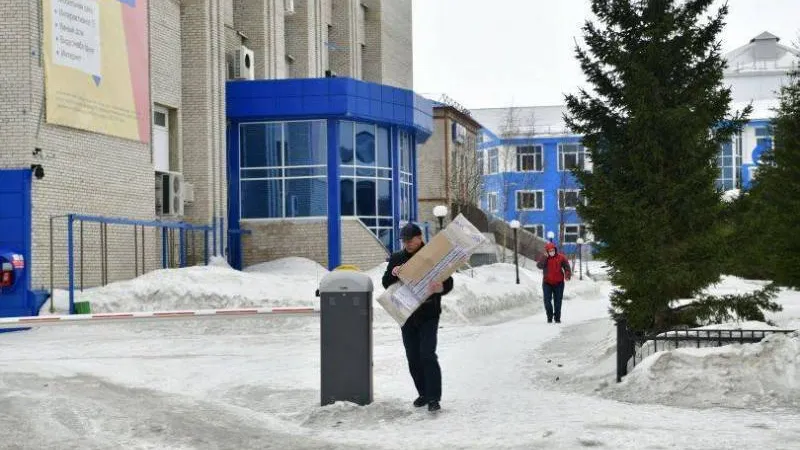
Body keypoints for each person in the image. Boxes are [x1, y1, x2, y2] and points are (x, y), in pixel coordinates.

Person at [382, 223, 453, 412]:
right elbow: (385, 283)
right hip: (406, 314)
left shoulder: (432, 256)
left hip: (429, 313)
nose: (407, 244)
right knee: (413, 357)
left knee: (427, 354)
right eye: (404, 240)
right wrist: (393, 273)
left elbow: (448, 282)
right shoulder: (397, 258)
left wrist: (440, 287)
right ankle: (423, 393)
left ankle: (433, 398)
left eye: (410, 239)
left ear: (420, 237)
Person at [536, 242, 571, 323]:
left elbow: (567, 267)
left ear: (555, 250)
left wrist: (567, 275)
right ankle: (549, 316)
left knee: (558, 301)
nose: (552, 252)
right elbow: (539, 266)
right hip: (547, 283)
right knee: (547, 301)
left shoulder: (561, 257)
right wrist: (544, 257)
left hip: (559, 283)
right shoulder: (545, 258)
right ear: (547, 251)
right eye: (550, 251)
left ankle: (557, 318)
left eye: (553, 250)